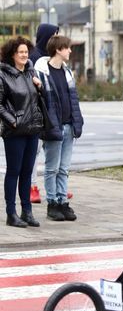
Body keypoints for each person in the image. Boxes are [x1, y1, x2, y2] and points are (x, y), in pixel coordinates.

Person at [35, 35, 83, 222]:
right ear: (58, 49)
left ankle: (62, 202)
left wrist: (77, 122)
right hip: (53, 127)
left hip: (69, 126)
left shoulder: (67, 72)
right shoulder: (42, 73)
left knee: (64, 168)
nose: (70, 51)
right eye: (67, 48)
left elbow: (73, 100)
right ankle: (52, 204)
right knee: (52, 168)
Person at [0, 36, 44, 228]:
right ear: (12, 55)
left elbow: (39, 100)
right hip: (15, 132)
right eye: (21, 52)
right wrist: (13, 122)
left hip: (32, 129)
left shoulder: (30, 73)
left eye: (27, 52)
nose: (25, 55)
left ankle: (27, 212)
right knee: (14, 172)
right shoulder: (3, 75)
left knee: (27, 172)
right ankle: (11, 213)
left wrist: (40, 86)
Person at [28, 23, 59, 204]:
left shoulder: (53, 58)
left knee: (53, 151)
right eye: (53, 35)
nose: (56, 39)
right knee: (35, 151)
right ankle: (32, 187)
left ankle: (54, 187)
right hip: (37, 112)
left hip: (52, 112)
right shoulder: (34, 57)